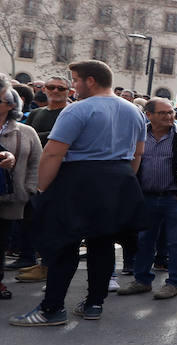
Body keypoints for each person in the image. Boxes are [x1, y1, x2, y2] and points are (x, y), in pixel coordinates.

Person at [9, 61, 145, 327]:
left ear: (91, 81)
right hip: (119, 178)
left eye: (76, 80)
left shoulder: (78, 109)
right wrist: (122, 179)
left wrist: (41, 189)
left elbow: (53, 152)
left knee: (64, 245)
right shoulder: (134, 110)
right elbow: (138, 153)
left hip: (79, 179)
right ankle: (94, 303)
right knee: (103, 244)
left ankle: (52, 309)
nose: (74, 86)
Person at [117, 98, 177, 300]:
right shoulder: (137, 134)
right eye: (163, 113)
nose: (169, 116)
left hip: (176, 199)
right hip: (146, 198)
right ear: (149, 115)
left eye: (171, 112)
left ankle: (174, 283)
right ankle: (142, 280)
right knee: (144, 241)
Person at [0, 87, 41, 301]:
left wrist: (29, 189)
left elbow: (37, 163)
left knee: (1, 240)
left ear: (11, 105)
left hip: (10, 198)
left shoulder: (26, 132)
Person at [23, 76, 70, 145]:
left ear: (70, 92)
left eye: (61, 88)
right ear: (44, 89)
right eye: (51, 87)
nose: (55, 91)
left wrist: (34, 136)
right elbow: (25, 137)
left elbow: (63, 135)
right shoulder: (35, 113)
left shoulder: (72, 113)